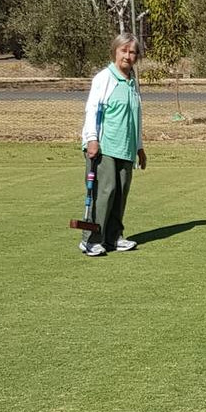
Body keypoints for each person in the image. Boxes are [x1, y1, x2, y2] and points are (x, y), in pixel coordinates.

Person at [79, 32, 147, 256]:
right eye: (124, 51)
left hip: (126, 148)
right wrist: (91, 139)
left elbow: (136, 118)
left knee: (120, 194)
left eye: (133, 52)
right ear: (115, 52)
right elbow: (92, 111)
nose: (128, 56)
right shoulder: (104, 78)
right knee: (104, 192)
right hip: (104, 146)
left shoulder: (132, 82)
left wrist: (139, 147)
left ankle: (113, 237)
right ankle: (90, 239)